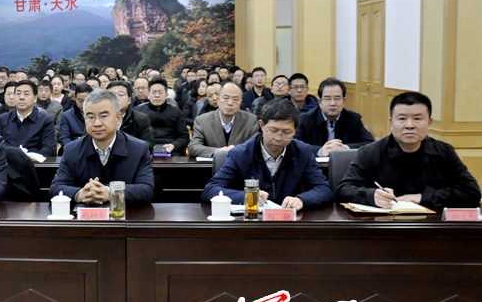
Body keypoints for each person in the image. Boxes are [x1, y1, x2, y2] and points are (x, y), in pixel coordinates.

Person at [336, 92, 481, 208]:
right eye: (402, 119)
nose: (409, 125)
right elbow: (344, 189)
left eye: (417, 119)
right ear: (391, 123)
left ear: (429, 122)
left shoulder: (443, 152)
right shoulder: (370, 152)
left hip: (431, 227)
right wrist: (371, 195)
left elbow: (471, 192)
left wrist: (423, 197)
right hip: (383, 226)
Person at [203, 98, 333, 210]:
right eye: (273, 130)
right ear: (261, 125)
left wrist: (302, 199)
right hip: (253, 221)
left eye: (286, 132)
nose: (278, 138)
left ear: (295, 130)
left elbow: (324, 189)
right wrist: (247, 196)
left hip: (290, 221)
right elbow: (211, 190)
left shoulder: (303, 152)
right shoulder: (241, 154)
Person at [50, 89, 155, 205]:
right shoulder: (71, 150)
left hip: (125, 214)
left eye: (104, 116)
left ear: (118, 118)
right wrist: (81, 194)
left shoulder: (139, 149)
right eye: (90, 117)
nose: (97, 123)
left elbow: (147, 189)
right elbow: (56, 188)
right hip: (84, 214)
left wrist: (110, 192)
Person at [295, 78, 374, 156]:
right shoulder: (305, 119)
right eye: (327, 99)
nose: (332, 103)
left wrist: (345, 148)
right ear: (320, 102)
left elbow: (370, 143)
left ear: (344, 101)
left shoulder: (353, 119)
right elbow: (294, 144)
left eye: (337, 98)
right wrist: (320, 151)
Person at [188, 82, 261, 158]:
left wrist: (235, 151)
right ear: (218, 100)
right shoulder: (202, 121)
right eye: (225, 98)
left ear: (241, 102)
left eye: (235, 99)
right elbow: (193, 147)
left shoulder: (250, 120)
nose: (230, 103)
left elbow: (256, 147)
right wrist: (218, 152)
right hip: (211, 164)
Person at [0, 80, 57, 157]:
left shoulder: (45, 120)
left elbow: (49, 148)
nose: (21, 97)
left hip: (35, 163)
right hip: (7, 162)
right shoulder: (3, 119)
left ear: (35, 98)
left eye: (26, 94)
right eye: (18, 94)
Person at [136, 77, 189, 155]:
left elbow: (184, 137)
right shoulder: (138, 112)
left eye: (160, 92)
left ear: (166, 95)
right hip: (145, 150)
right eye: (154, 92)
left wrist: (174, 145)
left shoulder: (177, 112)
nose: (157, 95)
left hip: (171, 150)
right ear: (148, 95)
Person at [107, 80, 154, 153]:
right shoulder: (98, 118)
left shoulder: (141, 119)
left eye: (121, 94)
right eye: (112, 95)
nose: (116, 98)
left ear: (129, 100)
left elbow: (148, 145)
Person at [59, 83, 92, 152]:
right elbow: (64, 138)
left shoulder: (98, 115)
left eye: (86, 101)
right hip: (74, 150)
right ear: (75, 98)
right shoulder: (67, 115)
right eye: (80, 101)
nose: (83, 104)